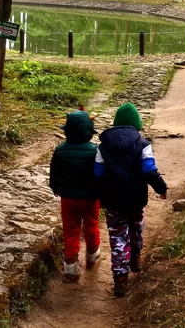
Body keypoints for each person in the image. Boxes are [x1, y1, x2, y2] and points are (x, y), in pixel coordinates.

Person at [95, 102, 167, 297]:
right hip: (136, 200)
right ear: (137, 125)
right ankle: (135, 257)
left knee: (117, 238)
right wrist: (161, 188)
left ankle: (120, 279)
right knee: (136, 228)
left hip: (113, 202)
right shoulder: (143, 145)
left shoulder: (102, 147)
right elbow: (149, 170)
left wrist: (100, 196)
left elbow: (98, 174)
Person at [49, 109, 101, 282]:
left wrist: (56, 188)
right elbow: (100, 174)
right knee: (91, 225)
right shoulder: (95, 151)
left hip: (68, 198)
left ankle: (71, 269)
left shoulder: (60, 150)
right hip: (90, 198)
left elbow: (54, 174)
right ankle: (92, 255)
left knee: (70, 230)